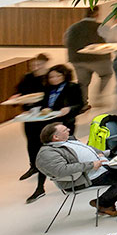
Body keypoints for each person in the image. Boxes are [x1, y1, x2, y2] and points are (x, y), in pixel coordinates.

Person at [34, 121, 117, 217]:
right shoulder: (47, 154)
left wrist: (99, 153)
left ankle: (105, 202)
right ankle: (103, 204)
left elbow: (86, 148)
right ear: (55, 137)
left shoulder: (68, 140)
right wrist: (91, 165)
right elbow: (61, 170)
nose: (69, 130)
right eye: (65, 130)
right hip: (83, 178)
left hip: (99, 168)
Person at [27, 66, 87, 203]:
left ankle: (78, 178)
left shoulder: (72, 87)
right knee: (46, 154)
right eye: (51, 77)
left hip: (64, 124)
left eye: (57, 76)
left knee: (70, 150)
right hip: (47, 125)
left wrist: (69, 109)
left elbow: (80, 104)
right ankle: (40, 187)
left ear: (64, 76)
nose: (54, 79)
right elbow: (42, 104)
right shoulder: (47, 88)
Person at [63, 7, 115, 108]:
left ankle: (83, 104)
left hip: (77, 59)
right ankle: (98, 98)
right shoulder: (102, 27)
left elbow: (66, 42)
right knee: (106, 75)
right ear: (97, 14)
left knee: (82, 82)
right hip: (99, 59)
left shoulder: (72, 27)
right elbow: (111, 41)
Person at [14, 54, 50, 182]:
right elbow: (19, 92)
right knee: (31, 141)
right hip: (30, 115)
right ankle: (33, 166)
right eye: (34, 65)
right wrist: (16, 97)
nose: (36, 67)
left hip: (46, 115)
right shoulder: (28, 77)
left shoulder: (50, 77)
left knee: (46, 141)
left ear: (46, 63)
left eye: (39, 64)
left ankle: (49, 166)